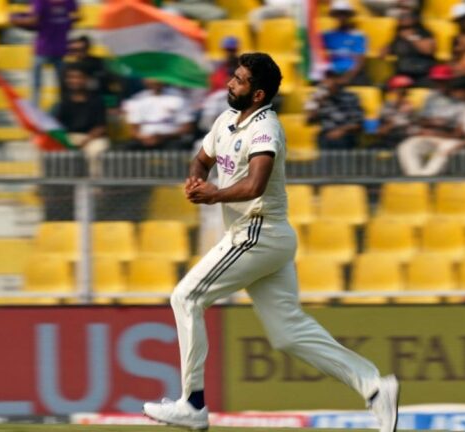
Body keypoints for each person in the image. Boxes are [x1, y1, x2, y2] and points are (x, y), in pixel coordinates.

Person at [142, 52, 399, 432]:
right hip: (266, 238)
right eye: (233, 76)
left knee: (186, 298)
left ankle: (192, 404)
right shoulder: (226, 120)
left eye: (239, 80)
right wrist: (196, 180)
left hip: (257, 232)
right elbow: (202, 159)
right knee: (288, 333)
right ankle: (375, 387)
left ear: (258, 94)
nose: (230, 83)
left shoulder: (266, 128)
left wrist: (213, 196)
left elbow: (255, 185)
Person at [398, 76, 465, 176]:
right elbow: (457, 134)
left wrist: (459, 145)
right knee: (409, 144)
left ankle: (427, 178)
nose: (453, 95)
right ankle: (415, 177)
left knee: (447, 146)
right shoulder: (461, 106)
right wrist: (433, 134)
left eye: (455, 92)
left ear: (464, 91)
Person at [11, 0, 79, 106]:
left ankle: (35, 109)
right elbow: (77, 17)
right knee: (63, 85)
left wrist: (15, 19)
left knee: (36, 85)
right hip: (60, 47)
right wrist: (63, 24)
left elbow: (33, 21)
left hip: (43, 48)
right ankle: (64, 108)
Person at [50, 65, 108, 175]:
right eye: (71, 77)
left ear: (86, 79)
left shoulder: (97, 100)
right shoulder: (62, 102)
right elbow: (56, 125)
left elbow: (101, 127)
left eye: (78, 77)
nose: (74, 80)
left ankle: (94, 183)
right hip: (69, 137)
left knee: (98, 149)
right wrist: (66, 140)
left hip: (91, 138)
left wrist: (85, 141)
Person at [120, 78, 194, 151]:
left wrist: (163, 137)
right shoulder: (137, 99)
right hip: (144, 140)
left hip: (171, 139)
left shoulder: (179, 98)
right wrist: (144, 138)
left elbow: (188, 128)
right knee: (126, 149)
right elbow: (133, 129)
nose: (154, 82)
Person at [304, 69, 364, 150]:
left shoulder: (350, 97)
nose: (326, 83)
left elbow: (358, 124)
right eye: (324, 80)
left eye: (329, 79)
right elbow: (309, 121)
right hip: (326, 134)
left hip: (346, 133)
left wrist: (341, 131)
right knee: (323, 139)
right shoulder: (316, 98)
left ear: (337, 80)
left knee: (340, 141)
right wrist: (317, 104)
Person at [322, 0, 369, 85]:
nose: (341, 17)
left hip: (352, 75)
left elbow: (359, 62)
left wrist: (345, 79)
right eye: (338, 14)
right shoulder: (327, 35)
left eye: (344, 14)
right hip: (331, 73)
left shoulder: (358, 36)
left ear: (349, 16)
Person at [382, 12, 436, 86]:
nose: (405, 30)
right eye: (403, 27)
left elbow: (428, 50)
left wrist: (410, 38)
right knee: (385, 86)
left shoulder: (424, 33)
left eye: (409, 27)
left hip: (422, 73)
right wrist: (387, 48)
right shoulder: (398, 36)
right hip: (403, 72)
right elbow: (383, 53)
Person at [377, 75, 417, 149]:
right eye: (401, 89)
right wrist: (399, 114)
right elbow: (382, 131)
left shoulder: (411, 106)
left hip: (408, 140)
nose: (405, 92)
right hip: (390, 139)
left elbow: (414, 128)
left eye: (406, 89)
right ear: (394, 90)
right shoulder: (387, 106)